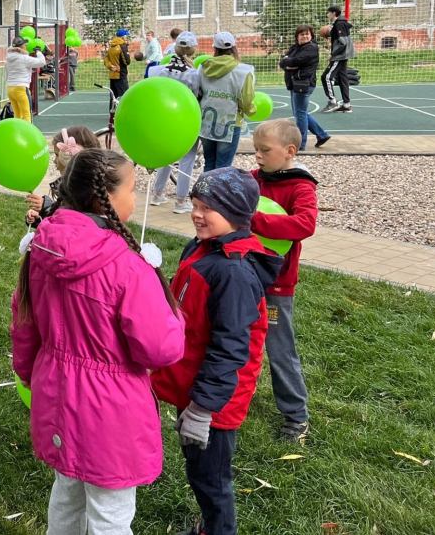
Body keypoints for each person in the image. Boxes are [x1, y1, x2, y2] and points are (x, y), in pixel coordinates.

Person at [12, 149, 185, 535]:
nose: (135, 199)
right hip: (111, 412)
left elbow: (24, 325)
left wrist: (28, 374)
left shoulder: (40, 251)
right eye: (132, 189)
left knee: (67, 493)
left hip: (56, 396)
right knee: (110, 514)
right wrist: (174, 313)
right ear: (103, 197)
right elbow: (161, 348)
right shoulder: (128, 266)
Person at [151, 167, 281, 535]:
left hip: (215, 402)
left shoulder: (233, 273)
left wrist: (203, 409)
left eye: (208, 208)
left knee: (211, 480)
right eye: (195, 204)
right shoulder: (205, 247)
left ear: (237, 214)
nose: (196, 214)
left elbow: (230, 349)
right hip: (195, 385)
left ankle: (219, 528)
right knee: (199, 470)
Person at [250, 119, 318, 443]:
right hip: (246, 273)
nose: (258, 156)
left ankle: (296, 416)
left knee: (279, 348)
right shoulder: (255, 179)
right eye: (256, 149)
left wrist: (255, 221)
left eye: (265, 150)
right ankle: (236, 394)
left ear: (290, 151)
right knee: (236, 337)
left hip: (277, 283)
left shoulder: (301, 186)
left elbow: (304, 224)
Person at [148, 32, 201, 213]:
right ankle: (180, 200)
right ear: (193, 50)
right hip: (186, 119)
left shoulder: (161, 70)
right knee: (187, 159)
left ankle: (157, 193)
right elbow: (197, 96)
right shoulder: (193, 74)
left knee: (167, 155)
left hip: (166, 119)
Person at [197, 32, 255, 172]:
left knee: (209, 162)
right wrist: (251, 110)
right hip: (230, 122)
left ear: (215, 49)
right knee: (223, 166)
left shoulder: (204, 67)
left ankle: (207, 186)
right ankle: (219, 187)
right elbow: (246, 100)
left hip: (207, 119)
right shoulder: (244, 71)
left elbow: (198, 92)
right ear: (234, 48)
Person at [24, 125, 101, 225]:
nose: (55, 161)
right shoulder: (85, 189)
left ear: (69, 158)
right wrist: (42, 214)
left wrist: (46, 207)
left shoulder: (81, 196)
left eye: (57, 155)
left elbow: (66, 224)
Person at [280, 25, 331, 151]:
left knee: (300, 114)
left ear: (311, 35)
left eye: (307, 34)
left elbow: (295, 61)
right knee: (300, 112)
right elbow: (284, 62)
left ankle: (301, 143)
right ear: (297, 36)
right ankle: (322, 135)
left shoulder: (311, 48)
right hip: (294, 83)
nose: (305, 36)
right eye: (302, 34)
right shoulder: (295, 47)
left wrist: (289, 63)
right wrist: (288, 63)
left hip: (303, 84)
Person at [320, 5, 355, 113]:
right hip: (344, 55)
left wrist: (333, 54)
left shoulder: (339, 24)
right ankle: (346, 105)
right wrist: (331, 33)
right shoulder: (340, 23)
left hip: (340, 55)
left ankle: (333, 102)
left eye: (328, 12)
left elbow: (343, 43)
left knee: (326, 77)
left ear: (334, 13)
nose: (327, 15)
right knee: (342, 78)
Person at [5, 35, 45, 122]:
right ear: (21, 46)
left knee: (17, 114)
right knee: (27, 114)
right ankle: (28, 130)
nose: (26, 45)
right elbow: (42, 62)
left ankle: (17, 130)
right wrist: (38, 52)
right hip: (21, 88)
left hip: (10, 88)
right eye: (24, 44)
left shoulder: (8, 58)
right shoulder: (24, 58)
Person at [102, 29, 131, 98]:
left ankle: (112, 105)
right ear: (123, 36)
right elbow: (127, 61)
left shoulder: (111, 46)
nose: (127, 37)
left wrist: (111, 66)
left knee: (113, 96)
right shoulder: (122, 46)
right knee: (124, 95)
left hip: (112, 74)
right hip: (120, 73)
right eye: (126, 35)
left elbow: (106, 59)